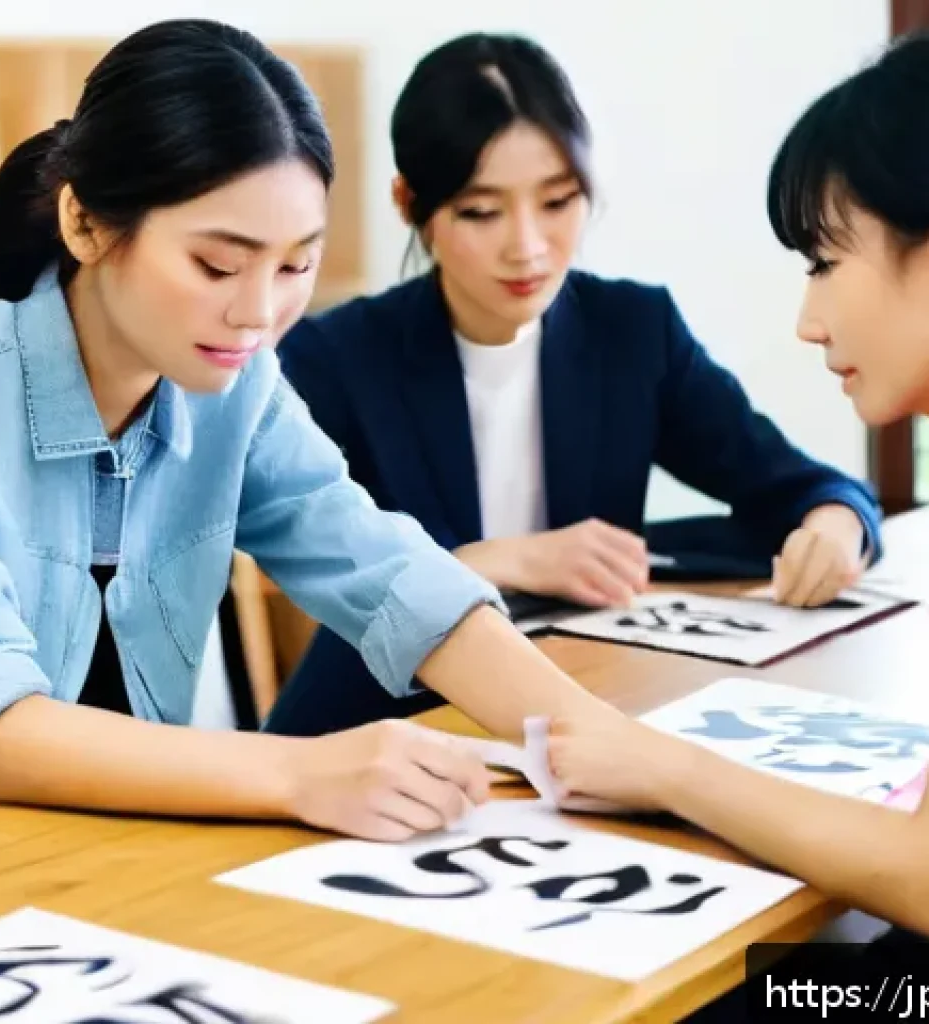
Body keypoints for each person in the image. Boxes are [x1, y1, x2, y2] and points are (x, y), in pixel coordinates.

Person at [0, 19, 622, 837]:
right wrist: (302, 769)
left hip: (110, 871)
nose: (259, 314)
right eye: (217, 265)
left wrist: (600, 740)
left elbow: (389, 573)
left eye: (294, 266)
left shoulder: (238, 391)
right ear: (86, 226)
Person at [265, 33, 881, 737]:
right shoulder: (335, 357)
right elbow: (320, 572)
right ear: (410, 204)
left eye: (558, 202)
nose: (527, 246)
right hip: (390, 726)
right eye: (481, 212)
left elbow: (799, 484)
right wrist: (500, 560)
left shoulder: (634, 332)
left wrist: (836, 525)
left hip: (589, 706)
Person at [549, 30, 929, 940]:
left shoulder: (631, 328)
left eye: (826, 264)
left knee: (771, 993)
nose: (807, 319)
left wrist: (667, 769)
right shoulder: (346, 349)